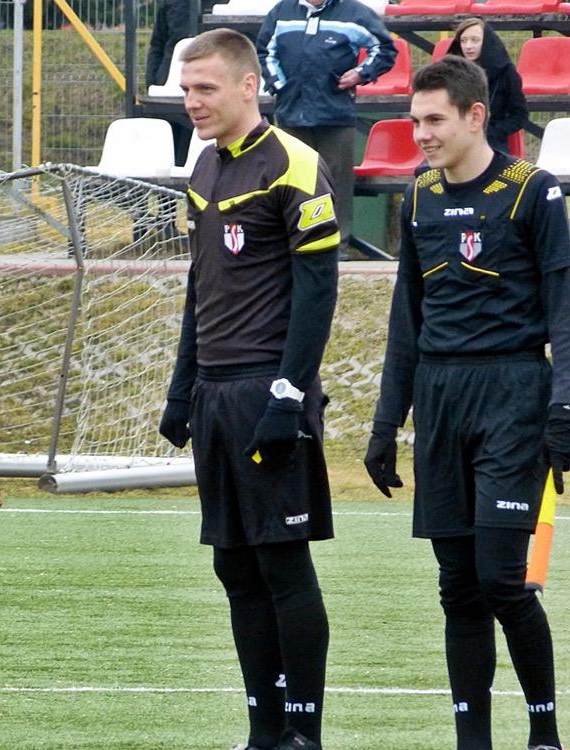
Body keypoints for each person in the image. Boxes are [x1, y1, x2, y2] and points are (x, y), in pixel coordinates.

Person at [364, 56, 569, 750]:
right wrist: (387, 421)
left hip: (513, 394)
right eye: (414, 120)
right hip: (440, 398)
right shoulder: (418, 197)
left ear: (475, 116)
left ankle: (544, 735)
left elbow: (565, 308)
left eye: (434, 120)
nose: (420, 134)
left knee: (501, 579)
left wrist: (564, 407)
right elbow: (407, 318)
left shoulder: (534, 192)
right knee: (457, 587)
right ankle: (471, 741)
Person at [160, 28, 340, 750]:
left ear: (247, 85)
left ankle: (305, 735)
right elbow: (199, 287)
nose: (192, 101)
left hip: (269, 391)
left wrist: (290, 395)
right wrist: (182, 389)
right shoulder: (203, 166)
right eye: (186, 89)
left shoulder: (296, 164)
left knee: (282, 565)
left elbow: (318, 292)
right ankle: (264, 732)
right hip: (215, 395)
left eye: (205, 88)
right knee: (234, 566)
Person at [255, 0, 396, 256]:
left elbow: (385, 49)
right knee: (290, 181)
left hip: (336, 115)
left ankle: (336, 245)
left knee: (335, 183)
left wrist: (361, 73)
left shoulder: (355, 13)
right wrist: (279, 84)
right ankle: (291, 241)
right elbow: (264, 52)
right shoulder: (281, 13)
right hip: (290, 114)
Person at [446, 17, 529, 155]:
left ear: (486, 42)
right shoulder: (449, 71)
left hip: (491, 140)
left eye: (475, 40)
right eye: (463, 40)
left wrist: (493, 132)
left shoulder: (506, 72)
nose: (468, 46)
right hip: (454, 138)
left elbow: (520, 115)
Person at [145, 0, 196, 166]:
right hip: (168, 88)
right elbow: (157, 43)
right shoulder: (171, 3)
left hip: (210, 93)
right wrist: (153, 81)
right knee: (167, 159)